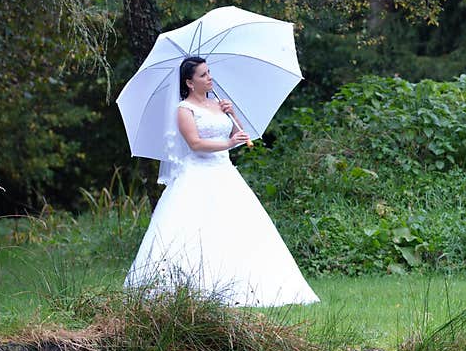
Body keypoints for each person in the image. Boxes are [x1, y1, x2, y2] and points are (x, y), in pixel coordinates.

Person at [125, 56, 320, 307]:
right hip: (197, 175)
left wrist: (231, 116)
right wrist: (229, 143)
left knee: (238, 226)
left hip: (225, 172)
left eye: (209, 73)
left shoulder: (219, 104)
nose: (209, 78)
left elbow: (228, 133)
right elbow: (195, 144)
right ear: (190, 82)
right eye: (203, 75)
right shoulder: (184, 110)